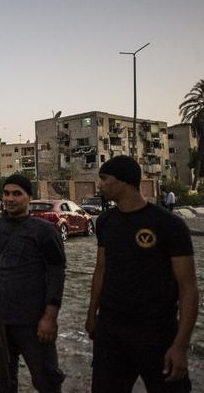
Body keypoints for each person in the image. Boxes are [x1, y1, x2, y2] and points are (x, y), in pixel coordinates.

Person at [85, 156, 198, 393]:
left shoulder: (169, 225)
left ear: (124, 181)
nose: (100, 185)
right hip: (111, 331)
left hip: (156, 331)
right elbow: (101, 268)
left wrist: (180, 346)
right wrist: (92, 314)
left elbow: (188, 287)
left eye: (105, 179)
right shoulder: (105, 221)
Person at [0, 174, 66, 392]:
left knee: (46, 379)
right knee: (4, 377)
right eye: (6, 193)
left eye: (17, 193)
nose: (10, 199)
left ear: (29, 197)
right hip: (0, 319)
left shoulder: (44, 231)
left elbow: (56, 273)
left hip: (33, 321)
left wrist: (50, 317)